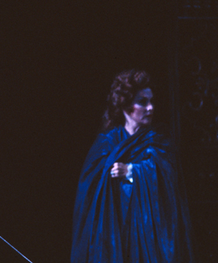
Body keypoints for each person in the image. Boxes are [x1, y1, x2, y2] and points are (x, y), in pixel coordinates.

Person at [71, 69, 194, 263]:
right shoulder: (106, 143)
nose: (150, 107)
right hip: (115, 231)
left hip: (149, 236)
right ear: (125, 105)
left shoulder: (159, 142)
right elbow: (89, 192)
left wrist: (132, 170)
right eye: (142, 102)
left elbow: (170, 181)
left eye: (151, 101)